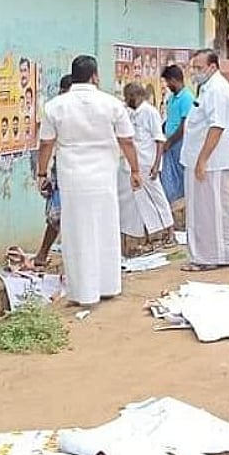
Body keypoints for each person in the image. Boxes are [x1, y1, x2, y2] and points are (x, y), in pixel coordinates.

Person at [37, 56, 141, 305]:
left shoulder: (55, 107)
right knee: (106, 228)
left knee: (76, 232)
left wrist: (41, 173)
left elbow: (46, 144)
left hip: (72, 178)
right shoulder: (112, 104)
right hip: (104, 177)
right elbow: (126, 141)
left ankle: (82, 292)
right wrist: (135, 170)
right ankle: (108, 285)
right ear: (95, 76)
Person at [179, 49, 229, 272]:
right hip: (209, 160)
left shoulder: (216, 90)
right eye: (193, 67)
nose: (194, 72)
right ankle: (227, 253)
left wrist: (202, 160)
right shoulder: (208, 88)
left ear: (212, 67)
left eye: (199, 67)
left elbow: (217, 126)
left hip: (210, 162)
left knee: (206, 212)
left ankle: (207, 257)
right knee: (219, 209)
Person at [118, 82, 175, 254]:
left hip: (148, 164)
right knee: (142, 203)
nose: (126, 100)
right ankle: (153, 236)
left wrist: (156, 165)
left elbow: (159, 140)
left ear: (136, 96)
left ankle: (170, 233)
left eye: (128, 97)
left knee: (157, 198)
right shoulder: (129, 112)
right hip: (133, 165)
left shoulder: (150, 112)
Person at [33, 75, 72, 269]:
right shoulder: (57, 109)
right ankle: (43, 253)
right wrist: (43, 173)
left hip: (69, 168)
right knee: (56, 214)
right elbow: (46, 143)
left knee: (61, 215)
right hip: (63, 168)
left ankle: (44, 254)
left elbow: (46, 143)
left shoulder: (60, 108)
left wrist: (42, 173)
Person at [159, 64, 193, 202]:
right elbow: (170, 119)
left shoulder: (187, 98)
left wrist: (170, 141)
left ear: (174, 80)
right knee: (169, 176)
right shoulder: (172, 97)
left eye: (168, 81)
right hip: (169, 141)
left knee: (179, 174)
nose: (167, 85)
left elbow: (185, 124)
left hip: (179, 142)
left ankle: (180, 201)